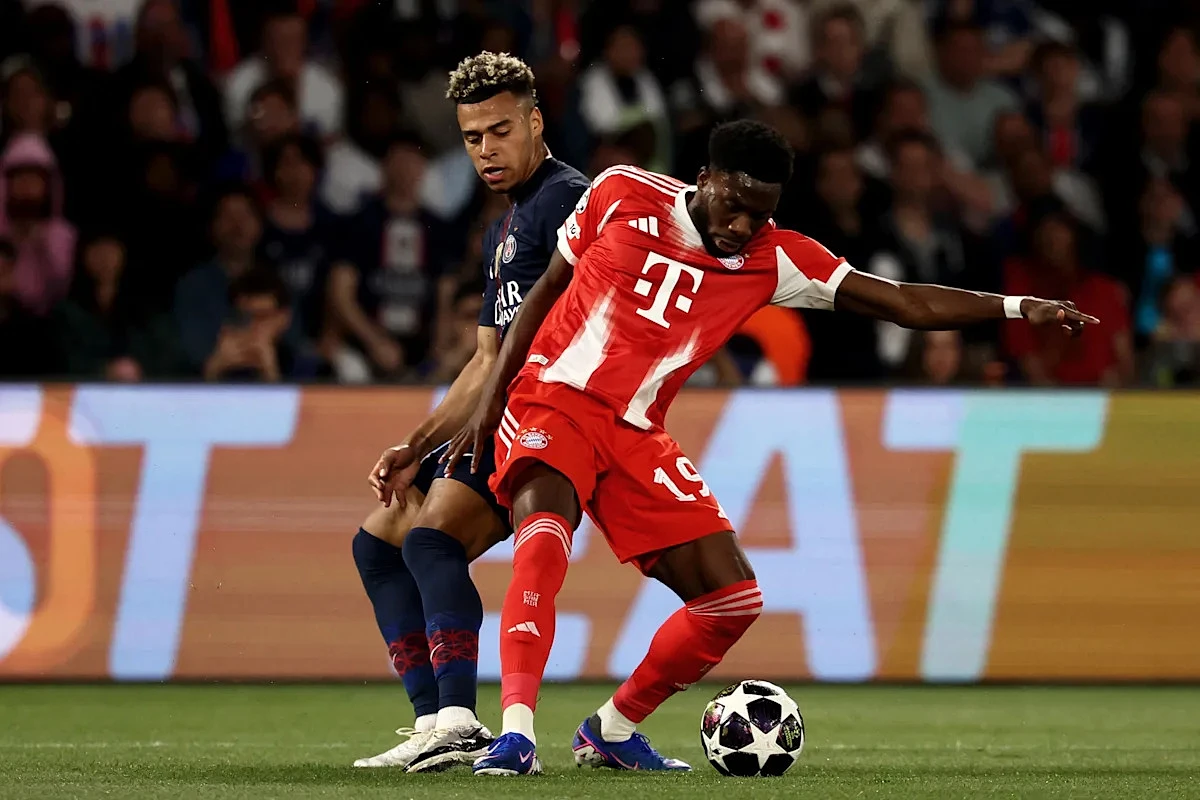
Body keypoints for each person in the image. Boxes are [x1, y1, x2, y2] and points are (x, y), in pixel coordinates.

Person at [444, 120, 1099, 776]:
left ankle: (610, 729)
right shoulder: (622, 191)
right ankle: (517, 735)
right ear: (704, 179)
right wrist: (491, 398)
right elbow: (545, 290)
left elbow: (904, 303)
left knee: (732, 599)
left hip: (634, 430)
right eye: (733, 205)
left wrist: (1018, 307)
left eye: (760, 215)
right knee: (544, 540)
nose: (742, 226)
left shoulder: (776, 257)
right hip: (553, 396)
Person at [351, 52, 589, 772]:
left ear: (536, 123)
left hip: (547, 416)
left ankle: (458, 719)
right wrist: (416, 441)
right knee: (379, 543)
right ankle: (434, 720)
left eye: (500, 131)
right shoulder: (504, 230)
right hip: (499, 408)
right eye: (472, 137)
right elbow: (486, 358)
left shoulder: (570, 202)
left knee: (430, 541)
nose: (486, 149)